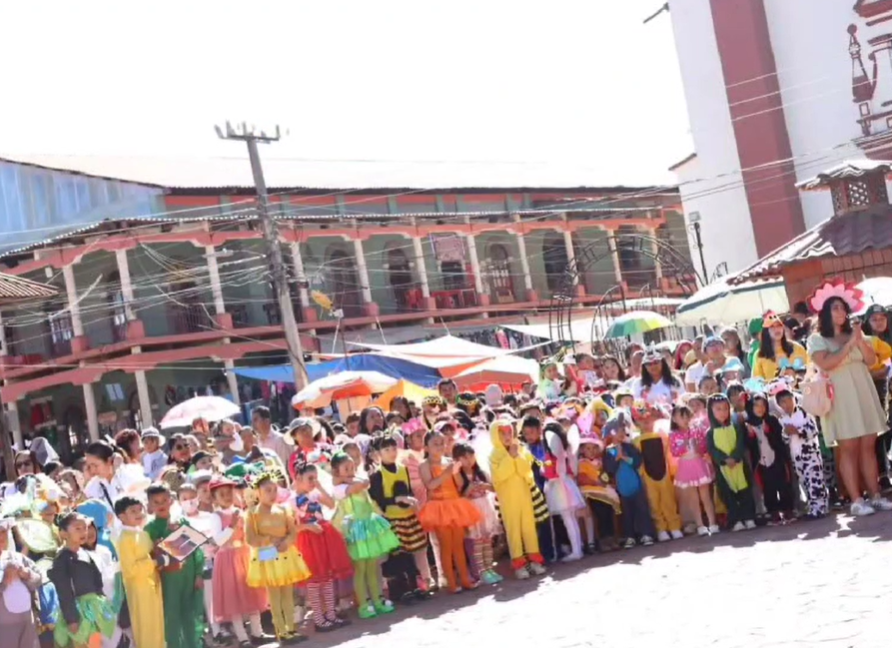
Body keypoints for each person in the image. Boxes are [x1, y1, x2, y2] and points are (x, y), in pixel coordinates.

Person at [806, 281, 892, 516]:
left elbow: (871, 361)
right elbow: (826, 363)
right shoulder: (817, 339)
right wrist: (848, 345)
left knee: (868, 444)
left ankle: (875, 495)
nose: (841, 312)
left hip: (862, 389)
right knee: (849, 447)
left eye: (843, 307)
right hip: (841, 395)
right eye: (835, 307)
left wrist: (859, 339)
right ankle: (855, 499)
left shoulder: (855, 334)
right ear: (825, 312)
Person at [330, 451, 400, 619]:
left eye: (352, 467)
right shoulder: (339, 488)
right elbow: (356, 487)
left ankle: (378, 600)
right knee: (360, 569)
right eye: (346, 468)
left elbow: (366, 483)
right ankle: (363, 604)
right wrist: (344, 480)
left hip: (368, 528)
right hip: (355, 531)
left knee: (372, 567)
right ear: (336, 471)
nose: (350, 470)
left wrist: (348, 477)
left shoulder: (356, 481)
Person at [245, 472, 310, 645]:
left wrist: (287, 542)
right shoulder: (252, 514)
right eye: (268, 490)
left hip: (284, 553)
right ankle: (281, 632)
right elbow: (250, 539)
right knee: (274, 596)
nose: (272, 494)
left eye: (275, 490)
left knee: (288, 594)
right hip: (267, 556)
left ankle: (291, 629)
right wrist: (268, 541)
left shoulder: (283, 509)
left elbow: (292, 532)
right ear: (258, 492)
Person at [208, 476, 270, 648]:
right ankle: (242, 637)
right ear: (214, 498)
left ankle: (258, 632)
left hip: (244, 555)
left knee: (252, 593)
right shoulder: (216, 516)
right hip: (227, 559)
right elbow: (218, 540)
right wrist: (231, 526)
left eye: (229, 492)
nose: (227, 496)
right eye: (222, 494)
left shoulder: (240, 511)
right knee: (233, 598)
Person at [417, 429, 482, 593]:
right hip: (438, 507)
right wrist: (447, 473)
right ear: (426, 448)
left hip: (454, 505)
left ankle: (466, 580)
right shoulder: (424, 465)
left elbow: (459, 484)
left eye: (441, 443)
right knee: (446, 546)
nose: (439, 447)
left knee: (458, 545)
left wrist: (455, 473)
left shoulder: (449, 461)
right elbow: (430, 485)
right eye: (435, 444)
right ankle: (452, 584)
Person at [291, 461, 353, 632]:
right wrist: (306, 526)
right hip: (307, 541)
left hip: (322, 536)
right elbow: (290, 527)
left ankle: (331, 615)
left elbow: (331, 504)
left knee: (327, 578)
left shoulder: (314, 494)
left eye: (315, 478)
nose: (313, 482)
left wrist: (319, 487)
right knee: (313, 581)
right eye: (310, 479)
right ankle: (319, 619)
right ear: (298, 479)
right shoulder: (292, 500)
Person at [144, 483, 205, 648]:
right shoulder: (149, 529)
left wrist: (199, 573)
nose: (161, 505)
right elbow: (149, 558)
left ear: (171, 500)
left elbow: (196, 551)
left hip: (189, 575)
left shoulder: (182, 521)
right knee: (171, 618)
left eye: (164, 500)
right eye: (155, 502)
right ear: (149, 505)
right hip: (168, 581)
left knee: (190, 615)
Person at [367, 436, 429, 593]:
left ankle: (416, 586)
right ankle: (401, 589)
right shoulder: (377, 475)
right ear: (379, 453)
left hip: (408, 516)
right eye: (386, 450)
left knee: (411, 552)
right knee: (398, 554)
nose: (391, 453)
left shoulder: (403, 469)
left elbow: (407, 490)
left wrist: (411, 501)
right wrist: (397, 499)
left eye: (394, 448)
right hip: (391, 519)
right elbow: (378, 499)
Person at [488, 417, 546, 579]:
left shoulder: (521, 449)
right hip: (508, 501)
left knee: (529, 529)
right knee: (514, 532)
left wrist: (517, 457)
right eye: (502, 433)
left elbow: (527, 472)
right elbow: (499, 476)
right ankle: (519, 565)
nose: (507, 436)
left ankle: (535, 561)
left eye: (509, 432)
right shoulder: (494, 456)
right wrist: (510, 458)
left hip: (524, 497)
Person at [49, 512, 115, 648]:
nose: (84, 532)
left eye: (85, 528)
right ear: (63, 533)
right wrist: (72, 619)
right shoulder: (62, 559)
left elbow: (97, 583)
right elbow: (64, 591)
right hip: (78, 612)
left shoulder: (86, 553)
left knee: (95, 644)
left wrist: (101, 604)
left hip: (93, 611)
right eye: (77, 528)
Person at [115, 496, 166, 648]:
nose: (138, 513)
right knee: (146, 628)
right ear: (122, 516)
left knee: (157, 625)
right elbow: (130, 570)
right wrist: (155, 562)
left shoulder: (142, 533)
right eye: (133, 511)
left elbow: (149, 554)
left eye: (140, 509)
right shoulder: (124, 538)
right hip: (139, 589)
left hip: (153, 584)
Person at [603, 409, 655, 548]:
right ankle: (630, 536)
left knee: (642, 509)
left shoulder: (629, 446)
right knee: (627, 513)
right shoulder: (608, 451)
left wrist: (625, 457)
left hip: (636, 484)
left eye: (623, 429)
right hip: (621, 487)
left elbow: (638, 462)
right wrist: (616, 458)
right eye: (618, 430)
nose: (621, 432)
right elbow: (609, 469)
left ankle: (646, 534)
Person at [774, 386, 829, 519]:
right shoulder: (783, 419)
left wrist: (798, 431)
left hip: (811, 454)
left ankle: (820, 507)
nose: (787, 404)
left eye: (789, 400)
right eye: (783, 402)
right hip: (797, 457)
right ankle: (813, 506)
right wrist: (787, 433)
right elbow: (784, 439)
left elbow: (813, 431)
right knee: (804, 482)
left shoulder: (805, 413)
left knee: (814, 479)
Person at [453, 441, 502, 585]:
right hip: (471, 509)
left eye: (471, 456)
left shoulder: (480, 472)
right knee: (477, 542)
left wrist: (484, 486)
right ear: (458, 460)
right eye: (464, 457)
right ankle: (480, 571)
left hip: (485, 507)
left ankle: (489, 568)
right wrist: (470, 488)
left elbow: (493, 488)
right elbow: (461, 495)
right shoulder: (459, 475)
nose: (469, 460)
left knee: (487, 540)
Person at [631, 403, 682, 541]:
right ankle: (661, 529)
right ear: (636, 423)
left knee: (668, 500)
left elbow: (668, 453)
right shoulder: (635, 441)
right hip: (648, 477)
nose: (646, 423)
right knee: (654, 503)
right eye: (642, 421)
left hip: (664, 474)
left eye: (648, 419)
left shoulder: (662, 435)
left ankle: (674, 526)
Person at [706, 394, 756, 531]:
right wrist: (724, 459)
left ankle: (749, 517)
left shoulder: (736, 427)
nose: (722, 412)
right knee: (728, 495)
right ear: (711, 411)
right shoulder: (710, 433)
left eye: (725, 409)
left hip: (739, 465)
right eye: (718, 409)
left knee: (745, 491)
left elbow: (740, 443)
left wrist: (735, 457)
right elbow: (712, 450)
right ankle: (736, 520)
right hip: (723, 470)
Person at [668, 404, 717, 536]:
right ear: (674, 419)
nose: (685, 419)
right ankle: (700, 525)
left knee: (705, 496)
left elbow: (704, 446)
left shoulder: (697, 430)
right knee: (693, 498)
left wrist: (699, 446)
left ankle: (712, 523)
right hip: (685, 465)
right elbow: (674, 451)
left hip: (699, 462)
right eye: (681, 417)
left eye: (687, 416)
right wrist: (684, 445)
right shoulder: (673, 435)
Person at [540, 420, 585, 560]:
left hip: (558, 487)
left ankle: (576, 551)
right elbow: (572, 470)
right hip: (568, 484)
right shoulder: (567, 451)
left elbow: (548, 473)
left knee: (568, 520)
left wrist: (543, 470)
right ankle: (578, 548)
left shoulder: (550, 455)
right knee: (572, 519)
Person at [745, 393, 794, 523]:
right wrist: (750, 436)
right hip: (762, 462)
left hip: (776, 458)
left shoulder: (772, 420)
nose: (760, 408)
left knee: (783, 485)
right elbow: (749, 446)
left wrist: (769, 432)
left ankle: (788, 509)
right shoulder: (748, 424)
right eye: (756, 405)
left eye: (763, 405)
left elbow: (780, 439)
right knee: (768, 488)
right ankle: (774, 512)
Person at [861, 304, 892, 486]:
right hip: (875, 391)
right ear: (868, 322)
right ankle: (883, 474)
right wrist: (881, 372)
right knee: (880, 434)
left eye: (882, 318)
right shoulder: (866, 341)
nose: (879, 322)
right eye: (874, 319)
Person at [0, 517, 43, 648]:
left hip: (27, 623)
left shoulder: (18, 558)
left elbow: (38, 580)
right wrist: (4, 576)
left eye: (3, 532)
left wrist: (26, 573)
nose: (1, 536)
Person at [576, 432, 621, 551]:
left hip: (603, 491)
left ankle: (612, 537)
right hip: (592, 493)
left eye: (594, 448)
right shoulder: (582, 463)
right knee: (600, 514)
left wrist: (608, 482)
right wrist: (596, 483)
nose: (591, 451)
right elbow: (582, 478)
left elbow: (605, 476)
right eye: (588, 448)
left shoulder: (600, 462)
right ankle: (603, 540)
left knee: (608, 512)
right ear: (582, 450)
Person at [753, 312, 808, 380]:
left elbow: (809, 369)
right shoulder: (760, 354)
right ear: (766, 332)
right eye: (772, 327)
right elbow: (757, 381)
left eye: (779, 325)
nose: (776, 329)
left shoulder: (797, 348)